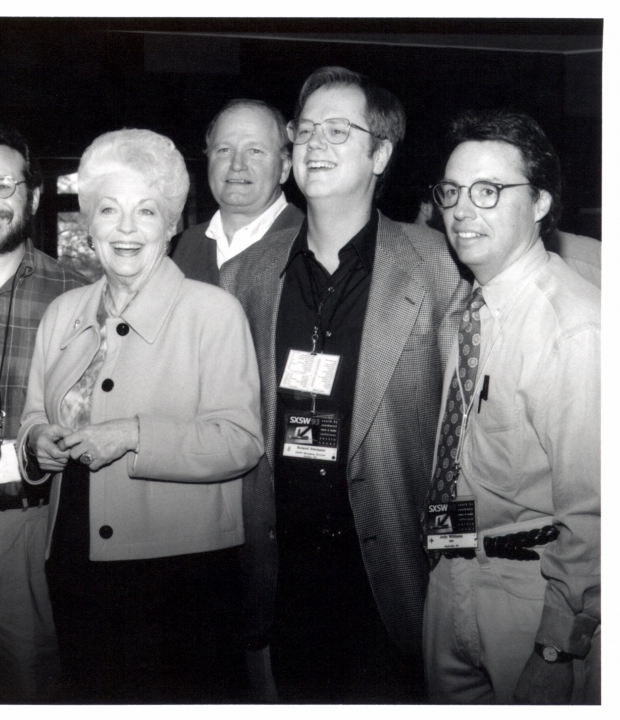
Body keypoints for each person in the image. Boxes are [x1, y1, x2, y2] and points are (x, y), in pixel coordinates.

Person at [224, 67, 469, 702]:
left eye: (338, 130)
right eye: (304, 131)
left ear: (381, 153)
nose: (314, 144)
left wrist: (457, 566)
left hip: (399, 573)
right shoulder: (247, 276)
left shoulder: (441, 269)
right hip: (285, 573)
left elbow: (464, 445)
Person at [18, 128, 264, 703]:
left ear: (172, 223)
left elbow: (241, 440)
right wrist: (37, 443)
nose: (126, 229)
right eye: (109, 209)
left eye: (145, 211)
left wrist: (131, 435)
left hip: (182, 578)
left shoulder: (214, 312)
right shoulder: (62, 311)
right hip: (76, 558)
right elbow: (32, 415)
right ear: (90, 223)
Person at [423, 110, 600, 704]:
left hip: (531, 597)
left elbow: (597, 516)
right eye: (451, 192)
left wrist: (559, 645)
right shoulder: (474, 308)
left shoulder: (574, 328)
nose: (461, 210)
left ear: (542, 202)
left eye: (489, 191)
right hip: (452, 578)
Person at [0, 125, 87, 702]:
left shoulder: (78, 294)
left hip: (36, 523)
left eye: (3, 185)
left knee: (31, 687)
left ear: (32, 196)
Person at [170, 99, 303, 286]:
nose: (237, 164)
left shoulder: (312, 246)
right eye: (224, 150)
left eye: (254, 151)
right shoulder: (176, 250)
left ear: (284, 168)